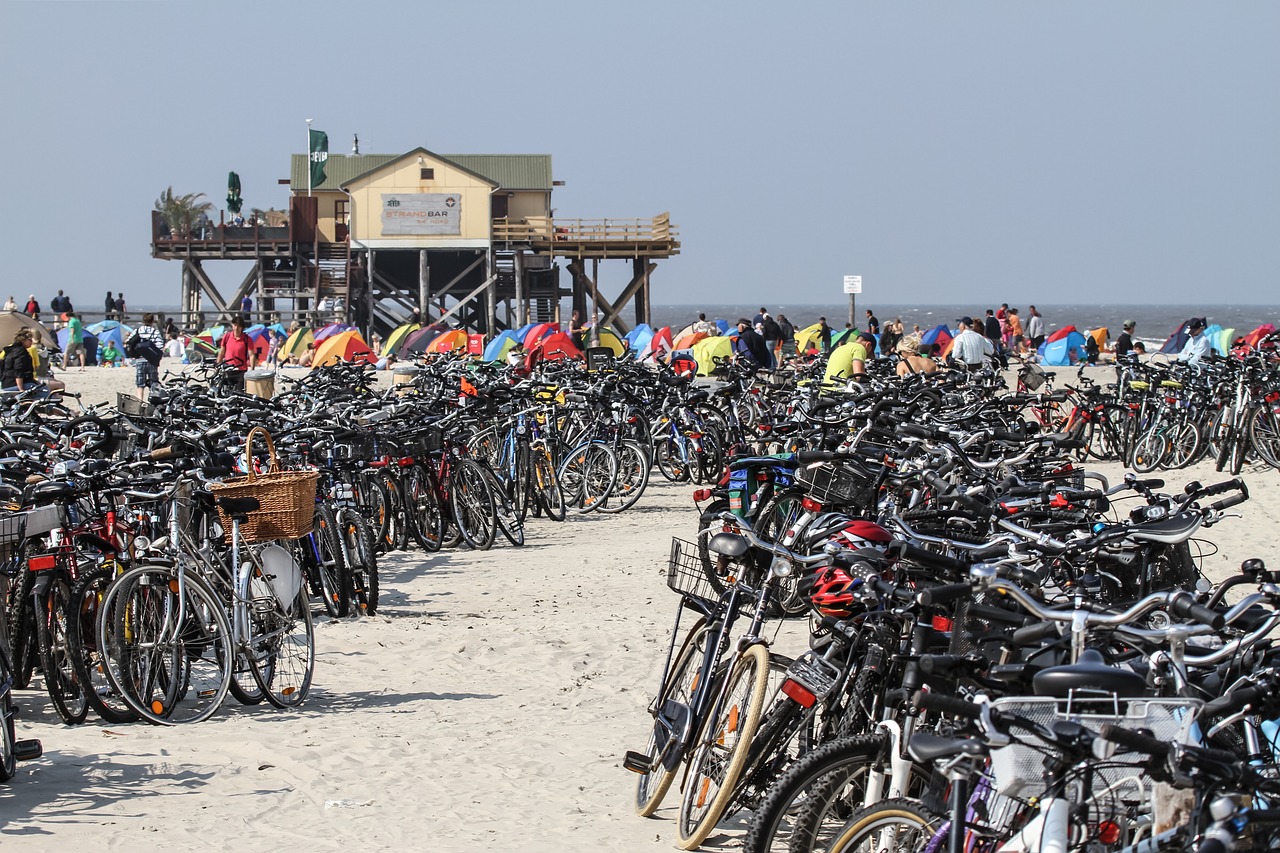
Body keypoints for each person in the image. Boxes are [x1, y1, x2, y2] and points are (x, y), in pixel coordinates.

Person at [131, 313, 165, 399]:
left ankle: (140, 401)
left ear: (143, 321)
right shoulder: (155, 332)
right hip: (151, 360)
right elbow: (160, 346)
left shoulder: (137, 331)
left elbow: (129, 342)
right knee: (153, 383)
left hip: (139, 360)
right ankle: (152, 400)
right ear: (152, 321)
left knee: (140, 384)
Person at [217, 315, 256, 390]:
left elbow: (251, 355)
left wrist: (252, 370)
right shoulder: (227, 336)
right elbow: (221, 353)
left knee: (239, 394)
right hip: (228, 369)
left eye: (239, 326)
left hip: (241, 370)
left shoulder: (247, 339)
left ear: (242, 327)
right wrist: (218, 365)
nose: (236, 328)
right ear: (232, 325)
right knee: (224, 393)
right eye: (235, 326)